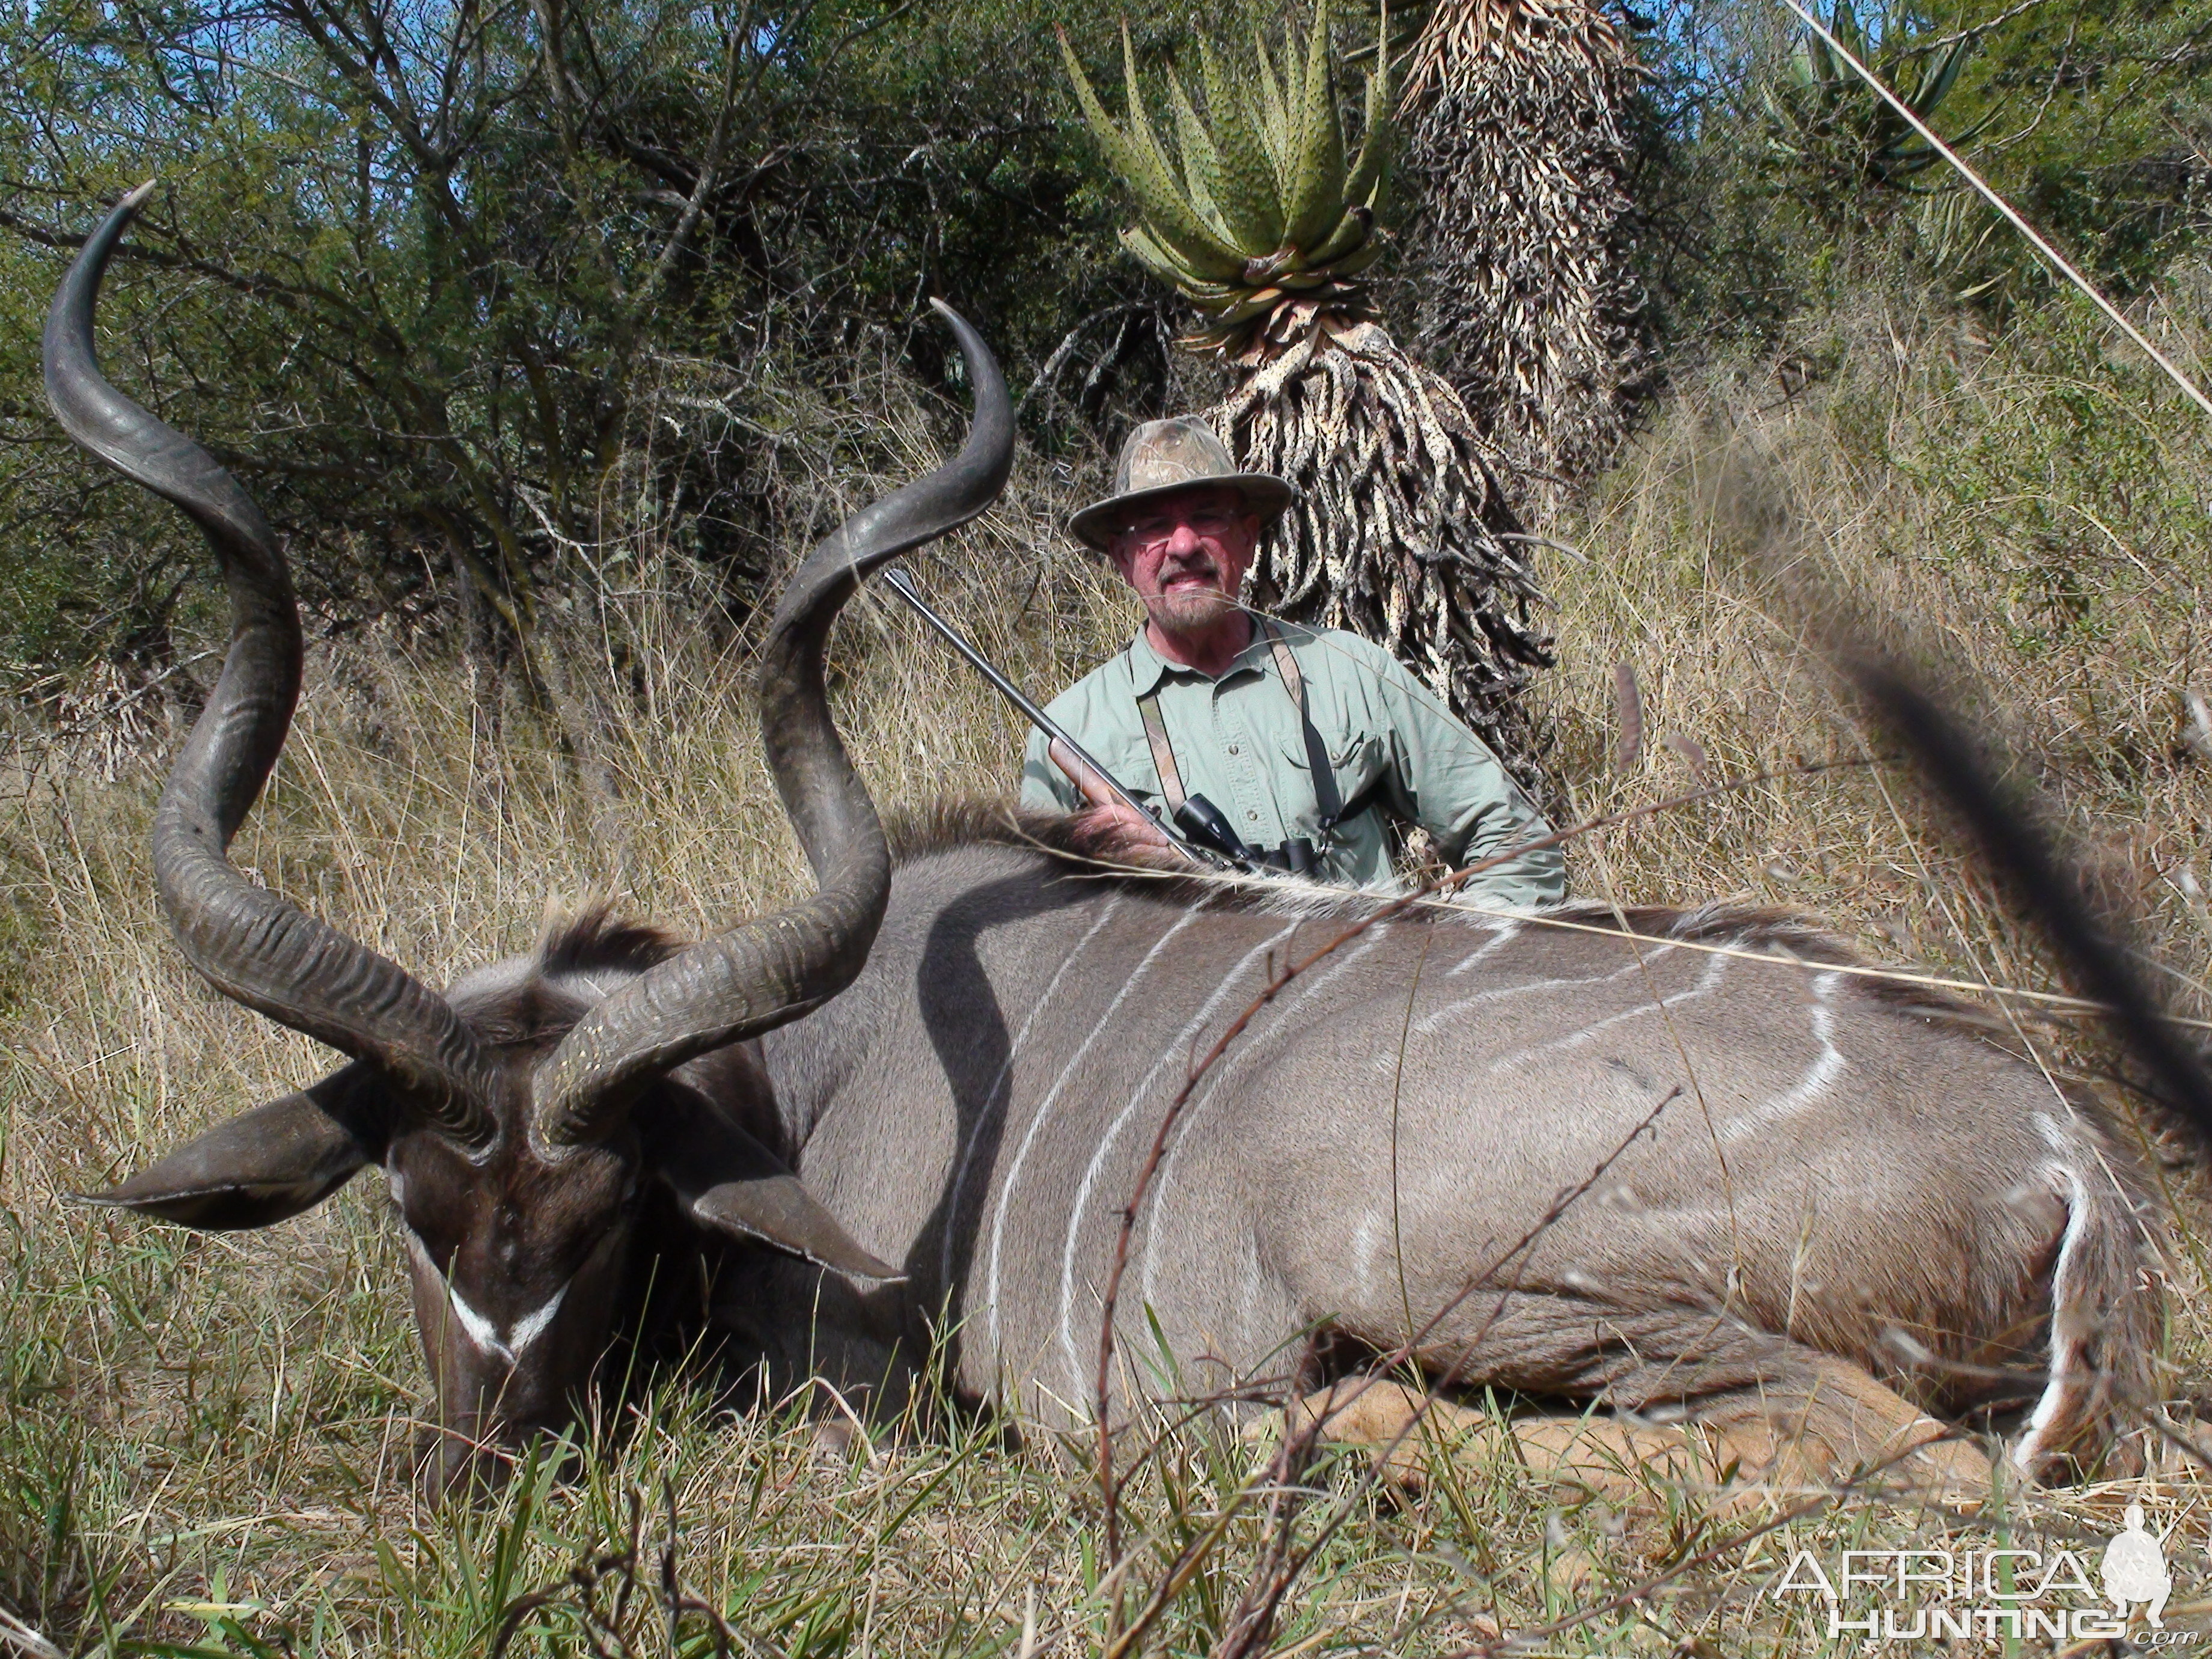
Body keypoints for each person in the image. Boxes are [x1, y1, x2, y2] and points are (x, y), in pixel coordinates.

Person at [1019, 416, 1566, 905]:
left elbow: (1511, 834)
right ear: (1122, 557)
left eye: (1207, 517)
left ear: (1248, 539)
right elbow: (1040, 938)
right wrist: (1091, 865)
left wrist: (1454, 977)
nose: (1184, 545)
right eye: (1155, 527)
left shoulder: (1351, 672)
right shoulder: (1069, 733)